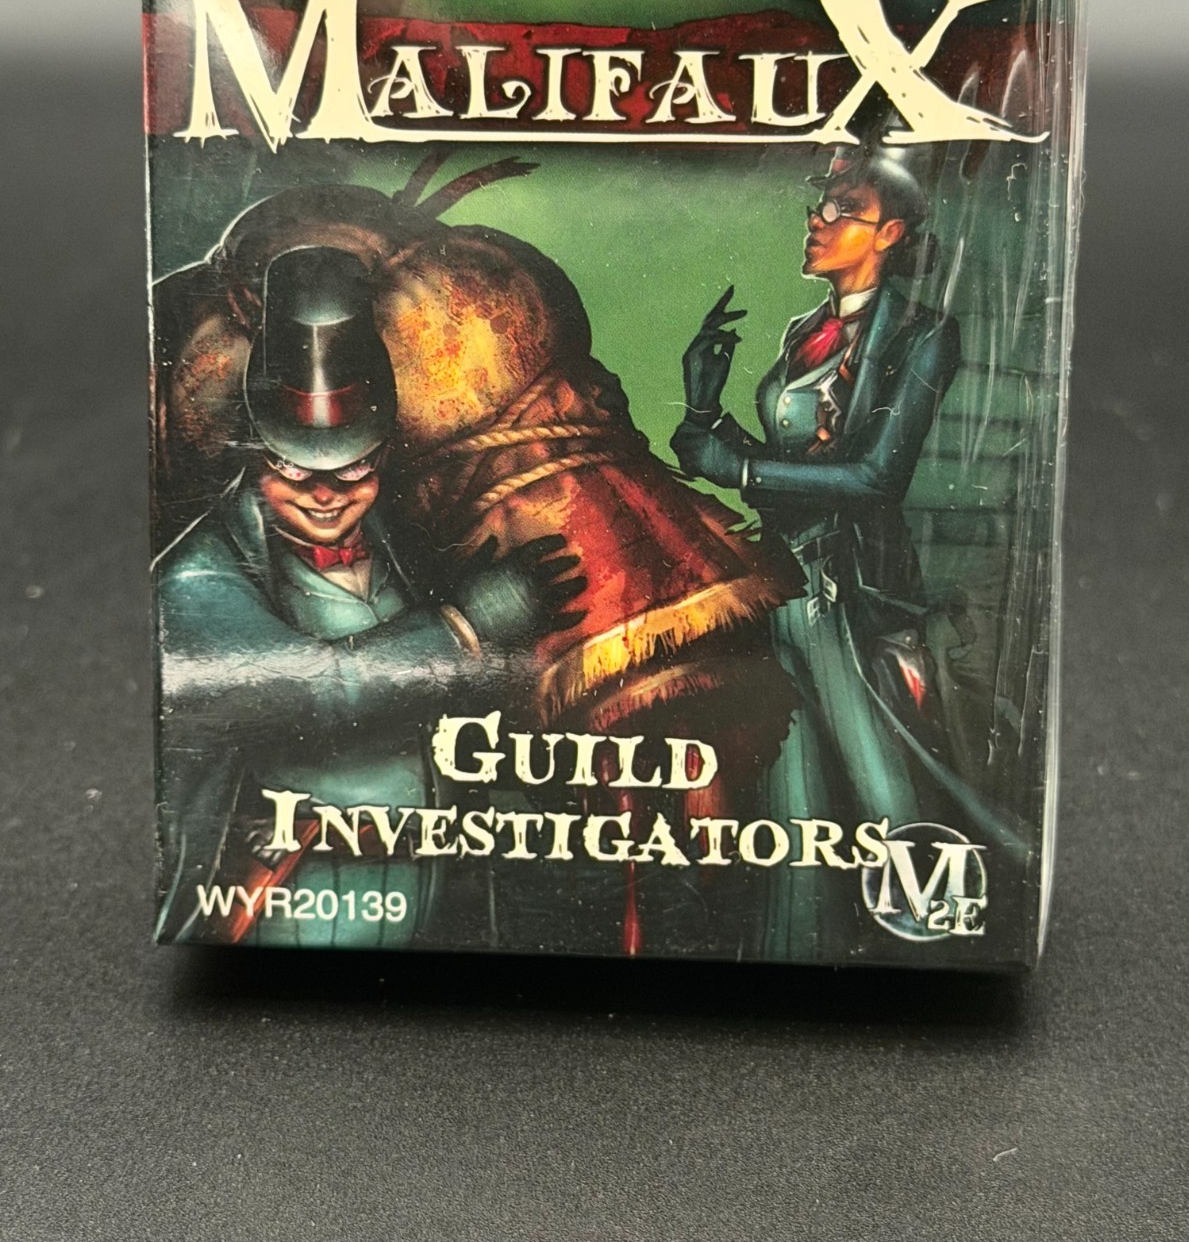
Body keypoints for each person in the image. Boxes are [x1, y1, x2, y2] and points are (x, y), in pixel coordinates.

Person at [155, 246, 583, 947]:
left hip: (424, 902)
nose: (325, 495)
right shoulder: (195, 579)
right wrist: (466, 627)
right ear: (254, 452)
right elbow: (319, 692)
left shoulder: (401, 543)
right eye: (293, 466)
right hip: (283, 915)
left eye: (352, 467)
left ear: (381, 451)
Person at [670, 140, 965, 959]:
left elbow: (876, 477)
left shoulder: (922, 334)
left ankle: (933, 958)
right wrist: (705, 414)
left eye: (845, 209)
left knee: (882, 788)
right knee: (791, 798)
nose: (818, 219)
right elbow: (782, 475)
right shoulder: (806, 330)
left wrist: (739, 465)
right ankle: (793, 957)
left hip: (847, 591)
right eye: (820, 203)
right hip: (782, 583)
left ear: (891, 233)